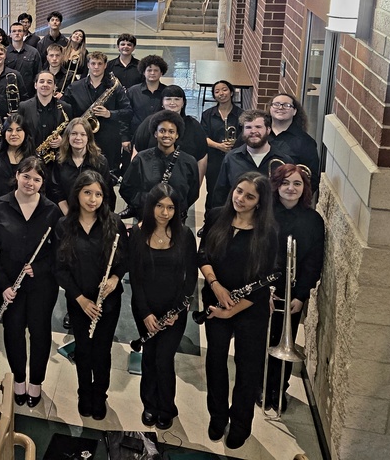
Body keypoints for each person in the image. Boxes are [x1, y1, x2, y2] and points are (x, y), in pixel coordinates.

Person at [198, 171, 280, 449]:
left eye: (249, 196)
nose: (240, 198)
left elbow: (266, 279)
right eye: (238, 191)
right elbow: (203, 254)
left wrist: (232, 310)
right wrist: (216, 287)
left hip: (250, 308)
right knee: (215, 362)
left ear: (260, 202)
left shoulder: (268, 231)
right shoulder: (216, 215)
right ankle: (218, 416)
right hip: (215, 299)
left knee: (248, 367)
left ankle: (241, 423)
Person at [0, 156, 61, 409]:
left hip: (42, 283)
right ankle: (19, 378)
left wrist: (38, 267)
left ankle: (36, 381)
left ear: (42, 183)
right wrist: (4, 284)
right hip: (9, 284)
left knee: (40, 332)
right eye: (26, 176)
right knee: (13, 331)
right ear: (17, 175)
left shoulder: (51, 210)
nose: (30, 182)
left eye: (36, 179)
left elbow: (59, 252)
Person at [55, 170, 128, 420]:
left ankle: (100, 394)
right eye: (87, 192)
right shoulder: (64, 225)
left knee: (102, 350)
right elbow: (60, 269)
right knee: (83, 350)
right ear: (78, 194)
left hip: (108, 301)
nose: (93, 199)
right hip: (79, 302)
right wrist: (81, 299)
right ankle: (84, 392)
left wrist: (115, 278)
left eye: (98, 194)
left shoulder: (114, 223)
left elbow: (124, 259)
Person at [129, 184, 198, 430]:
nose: (165, 212)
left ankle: (166, 407)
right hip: (144, 308)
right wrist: (146, 312)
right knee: (149, 357)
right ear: (151, 206)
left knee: (164, 358)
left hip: (173, 310)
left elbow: (190, 277)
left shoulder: (185, 235)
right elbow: (135, 278)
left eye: (170, 207)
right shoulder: (137, 234)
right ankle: (149, 405)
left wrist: (178, 310)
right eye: (160, 205)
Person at [263, 163, 324, 412]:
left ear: (304, 188)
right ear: (276, 186)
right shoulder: (263, 213)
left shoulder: (313, 220)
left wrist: (301, 296)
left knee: (283, 341)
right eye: (285, 183)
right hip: (263, 288)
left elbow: (313, 261)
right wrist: (262, 288)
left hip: (292, 293)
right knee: (260, 340)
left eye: (297, 183)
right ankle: (260, 385)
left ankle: (279, 388)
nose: (291, 188)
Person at [120, 109, 201, 219]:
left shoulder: (189, 161)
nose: (166, 135)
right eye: (162, 131)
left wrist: (176, 208)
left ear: (177, 135)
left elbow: (193, 193)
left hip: (175, 218)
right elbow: (126, 188)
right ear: (155, 133)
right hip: (146, 215)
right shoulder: (141, 158)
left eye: (171, 132)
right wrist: (145, 203)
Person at [209, 110, 293, 209]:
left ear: (268, 130)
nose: (253, 131)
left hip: (273, 220)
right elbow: (220, 194)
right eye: (248, 127)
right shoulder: (231, 158)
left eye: (258, 127)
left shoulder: (284, 161)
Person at [65, 51, 132, 174]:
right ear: (88, 65)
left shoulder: (115, 87)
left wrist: (110, 114)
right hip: (81, 138)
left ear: (105, 65)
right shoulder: (75, 87)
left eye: (100, 64)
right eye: (93, 63)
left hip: (108, 140)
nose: (96, 67)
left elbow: (128, 111)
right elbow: (64, 110)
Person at [133, 85, 208, 182]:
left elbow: (202, 157)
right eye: (168, 99)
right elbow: (137, 150)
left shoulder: (193, 125)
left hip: (183, 182)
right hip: (150, 180)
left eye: (177, 99)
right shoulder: (150, 122)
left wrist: (197, 186)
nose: (172, 103)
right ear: (162, 103)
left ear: (183, 102)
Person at [45, 118, 112, 215]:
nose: (78, 138)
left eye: (83, 134)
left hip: (94, 214)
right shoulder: (59, 160)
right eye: (74, 134)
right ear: (67, 136)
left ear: (89, 137)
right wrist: (69, 216)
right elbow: (57, 192)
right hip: (65, 215)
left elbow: (106, 192)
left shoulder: (100, 162)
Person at [268, 93, 321, 200]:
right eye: (276, 104)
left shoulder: (305, 142)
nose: (280, 108)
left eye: (286, 105)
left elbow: (312, 178)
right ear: (270, 108)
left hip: (286, 201)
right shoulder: (257, 133)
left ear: (294, 111)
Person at [200, 80, 243, 209]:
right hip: (214, 159)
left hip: (236, 158)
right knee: (213, 191)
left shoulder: (241, 114)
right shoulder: (208, 114)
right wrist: (219, 146)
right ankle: (209, 222)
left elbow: (246, 136)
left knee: (233, 190)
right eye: (217, 91)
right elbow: (203, 137)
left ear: (231, 92)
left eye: (224, 90)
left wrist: (236, 143)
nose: (221, 93)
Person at [0, 112, 35, 201]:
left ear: (25, 132)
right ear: (4, 133)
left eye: (19, 130)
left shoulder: (33, 157)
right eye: (9, 130)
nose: (14, 134)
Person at [17, 70, 71, 154]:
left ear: (54, 87)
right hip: (29, 157)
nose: (45, 85)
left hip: (57, 159)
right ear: (35, 85)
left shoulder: (65, 108)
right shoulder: (24, 107)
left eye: (49, 82)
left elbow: (71, 132)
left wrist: (63, 140)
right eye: (41, 81)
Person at [126, 54, 169, 136]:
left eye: (156, 70)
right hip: (136, 134)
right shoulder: (132, 91)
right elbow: (126, 115)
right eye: (149, 70)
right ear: (143, 72)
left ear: (161, 73)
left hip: (161, 135)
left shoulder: (167, 91)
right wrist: (125, 137)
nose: (152, 73)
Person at [6, 22, 42, 99]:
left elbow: (38, 74)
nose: (17, 33)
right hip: (8, 95)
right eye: (14, 31)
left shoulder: (33, 52)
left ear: (24, 33)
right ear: (10, 34)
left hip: (29, 95)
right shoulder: (4, 53)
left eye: (20, 31)